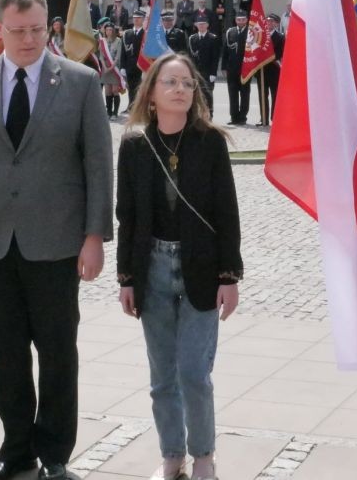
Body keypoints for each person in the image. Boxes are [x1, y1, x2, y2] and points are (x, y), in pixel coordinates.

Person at [0, 0, 113, 480]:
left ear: (49, 24)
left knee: (57, 353)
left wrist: (95, 236)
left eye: (36, 29)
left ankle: (54, 455)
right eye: (17, 31)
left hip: (56, 242)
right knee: (6, 355)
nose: (29, 39)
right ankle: (16, 452)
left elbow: (98, 166)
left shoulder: (80, 83)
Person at [116, 52, 242, 480]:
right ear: (151, 93)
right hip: (151, 266)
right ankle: (172, 456)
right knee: (162, 378)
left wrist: (229, 276)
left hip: (201, 268)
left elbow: (227, 212)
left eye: (187, 83)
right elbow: (127, 216)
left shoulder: (209, 142)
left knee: (193, 372)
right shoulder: (135, 145)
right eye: (170, 82)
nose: (180, 90)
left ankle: (204, 456)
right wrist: (127, 278)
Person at [220, 10, 250, 125]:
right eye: (238, 19)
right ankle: (234, 117)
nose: (241, 21)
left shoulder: (250, 32)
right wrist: (223, 67)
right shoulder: (230, 32)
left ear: (246, 20)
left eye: (243, 19)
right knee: (232, 93)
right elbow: (225, 50)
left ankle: (243, 117)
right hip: (232, 68)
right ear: (235, 20)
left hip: (245, 68)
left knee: (244, 93)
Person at [188, 19, 219, 117]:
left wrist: (213, 73)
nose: (201, 26)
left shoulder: (213, 38)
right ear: (196, 25)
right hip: (196, 71)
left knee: (207, 94)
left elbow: (215, 58)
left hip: (208, 71)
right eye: (199, 24)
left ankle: (209, 114)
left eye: (203, 24)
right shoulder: (192, 38)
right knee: (195, 93)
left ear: (207, 25)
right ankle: (196, 115)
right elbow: (190, 56)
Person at [256, 13, 284, 122]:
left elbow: (281, 53)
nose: (269, 23)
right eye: (267, 21)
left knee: (275, 95)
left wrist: (268, 57)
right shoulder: (260, 36)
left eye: (272, 21)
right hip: (262, 70)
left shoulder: (280, 37)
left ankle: (275, 118)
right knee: (262, 95)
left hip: (274, 69)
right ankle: (263, 118)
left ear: (276, 24)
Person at [97, 21, 124, 119]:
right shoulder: (102, 41)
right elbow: (101, 56)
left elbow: (118, 56)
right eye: (107, 30)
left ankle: (115, 113)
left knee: (115, 90)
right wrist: (105, 67)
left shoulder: (118, 41)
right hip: (106, 68)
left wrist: (111, 67)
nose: (109, 32)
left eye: (110, 30)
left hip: (114, 68)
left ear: (113, 31)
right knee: (108, 91)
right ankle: (109, 112)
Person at [121, 10, 146, 109]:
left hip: (142, 67)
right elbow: (123, 51)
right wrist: (122, 67)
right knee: (131, 88)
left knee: (141, 88)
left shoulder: (146, 34)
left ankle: (140, 108)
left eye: (138, 18)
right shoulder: (127, 34)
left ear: (143, 20)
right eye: (134, 18)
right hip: (130, 66)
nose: (136, 20)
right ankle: (131, 107)